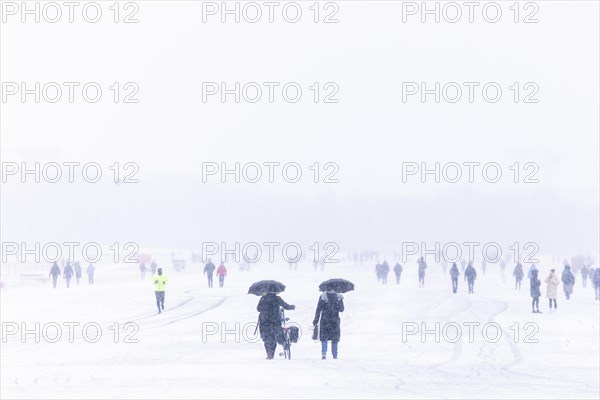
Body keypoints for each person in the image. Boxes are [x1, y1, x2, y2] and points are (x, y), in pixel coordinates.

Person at [257, 292, 295, 359]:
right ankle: (281, 345)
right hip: (275, 320)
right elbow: (285, 306)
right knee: (274, 337)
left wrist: (265, 305)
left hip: (265, 321)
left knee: (267, 339)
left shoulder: (263, 299)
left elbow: (258, 309)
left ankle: (269, 354)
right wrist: (291, 307)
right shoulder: (277, 298)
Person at [313, 288, 345, 360]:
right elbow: (342, 309)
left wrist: (316, 320)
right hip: (335, 321)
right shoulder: (338, 297)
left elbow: (318, 309)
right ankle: (335, 355)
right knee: (335, 339)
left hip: (325, 320)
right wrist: (339, 301)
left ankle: (324, 353)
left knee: (324, 338)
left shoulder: (323, 297)